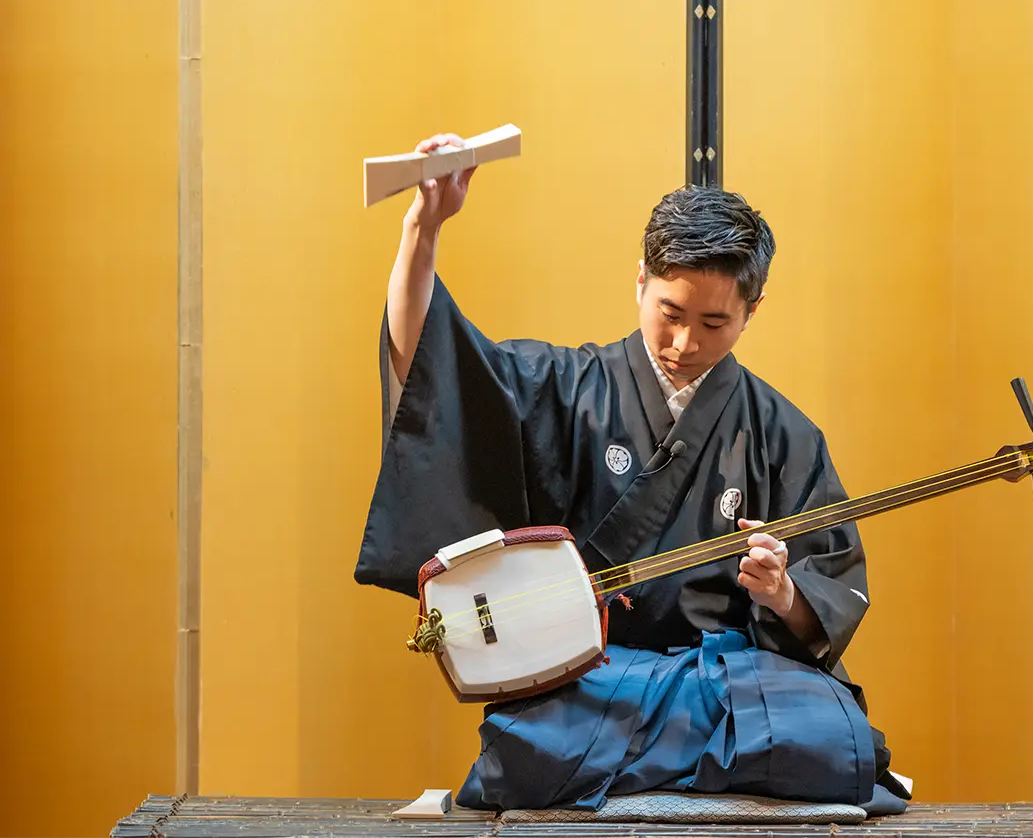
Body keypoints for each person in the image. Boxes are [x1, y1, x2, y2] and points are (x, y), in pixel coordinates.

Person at [354, 133, 910, 815]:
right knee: (530, 749)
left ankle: (644, 763)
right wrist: (422, 228)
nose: (685, 344)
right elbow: (431, 365)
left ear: (751, 312)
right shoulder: (565, 388)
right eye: (670, 314)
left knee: (836, 741)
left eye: (714, 322)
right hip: (596, 680)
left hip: (727, 680)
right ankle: (681, 764)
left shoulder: (783, 432)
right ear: (641, 280)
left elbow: (828, 592)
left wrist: (783, 592)